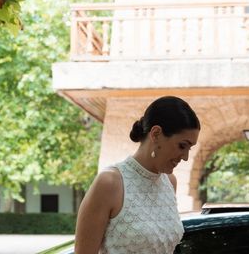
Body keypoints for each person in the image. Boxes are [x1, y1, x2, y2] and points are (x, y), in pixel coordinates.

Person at [74, 96, 200, 254]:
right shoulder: (109, 183)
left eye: (189, 148)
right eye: (182, 146)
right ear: (155, 134)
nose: (185, 156)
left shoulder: (170, 182)